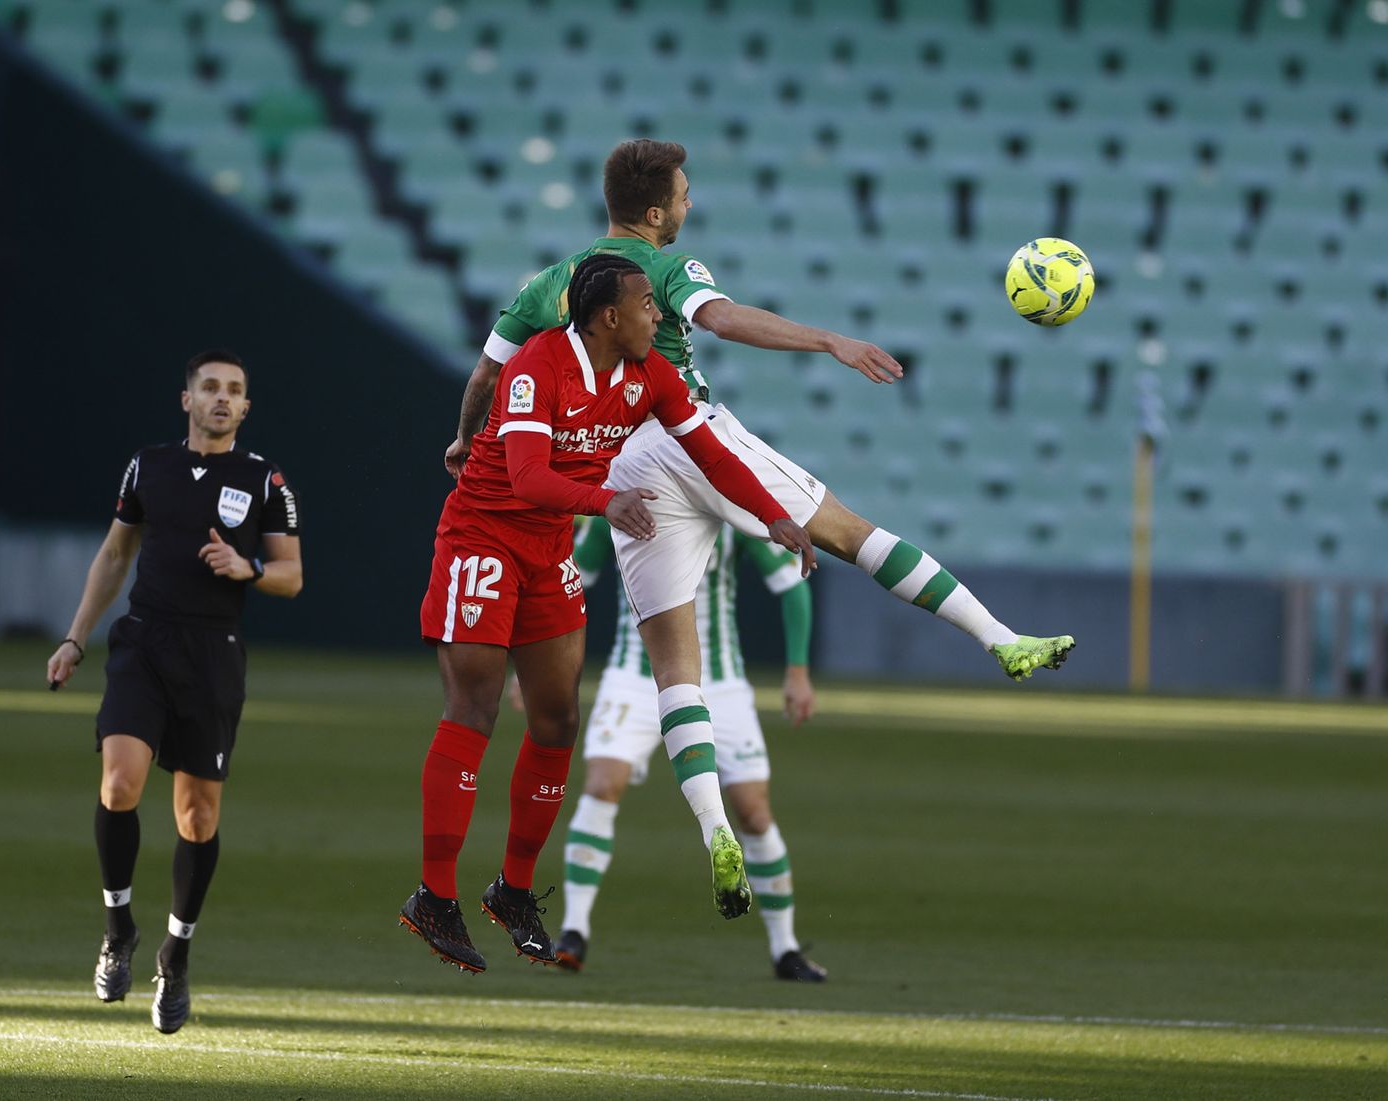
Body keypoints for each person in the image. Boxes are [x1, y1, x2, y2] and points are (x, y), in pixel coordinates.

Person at [442, 141, 1073, 896]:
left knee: (673, 659)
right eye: (682, 194)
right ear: (653, 212)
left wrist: (463, 438)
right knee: (851, 531)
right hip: (686, 434)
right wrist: (829, 339)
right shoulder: (663, 273)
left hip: (624, 469)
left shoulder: (552, 281)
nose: (688, 204)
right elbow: (725, 319)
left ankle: (715, 831)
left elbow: (487, 370)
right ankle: (1002, 640)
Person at [404, 255, 816, 974]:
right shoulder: (537, 365)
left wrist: (774, 515)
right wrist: (606, 501)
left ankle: (514, 888)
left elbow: (710, 453)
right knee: (474, 706)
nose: (659, 315)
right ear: (608, 317)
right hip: (485, 534)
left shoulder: (651, 372)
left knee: (558, 719)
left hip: (548, 546)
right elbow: (529, 476)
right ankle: (436, 895)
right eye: (647, 305)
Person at [46, 349, 302, 1034]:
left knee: (196, 816)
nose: (222, 398)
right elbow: (114, 553)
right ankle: (117, 928)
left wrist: (245, 566)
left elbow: (291, 574)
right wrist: (75, 638)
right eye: (210, 387)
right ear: (186, 399)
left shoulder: (264, 478)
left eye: (235, 391)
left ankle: (176, 954)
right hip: (144, 643)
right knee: (120, 783)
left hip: (213, 655)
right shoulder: (148, 465)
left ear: (246, 408)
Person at [554, 515, 828, 982]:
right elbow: (568, 585)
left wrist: (797, 670)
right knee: (603, 783)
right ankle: (573, 931)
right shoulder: (620, 503)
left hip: (718, 682)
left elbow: (791, 585)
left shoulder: (730, 512)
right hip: (633, 676)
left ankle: (785, 948)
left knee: (754, 812)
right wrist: (542, 663)